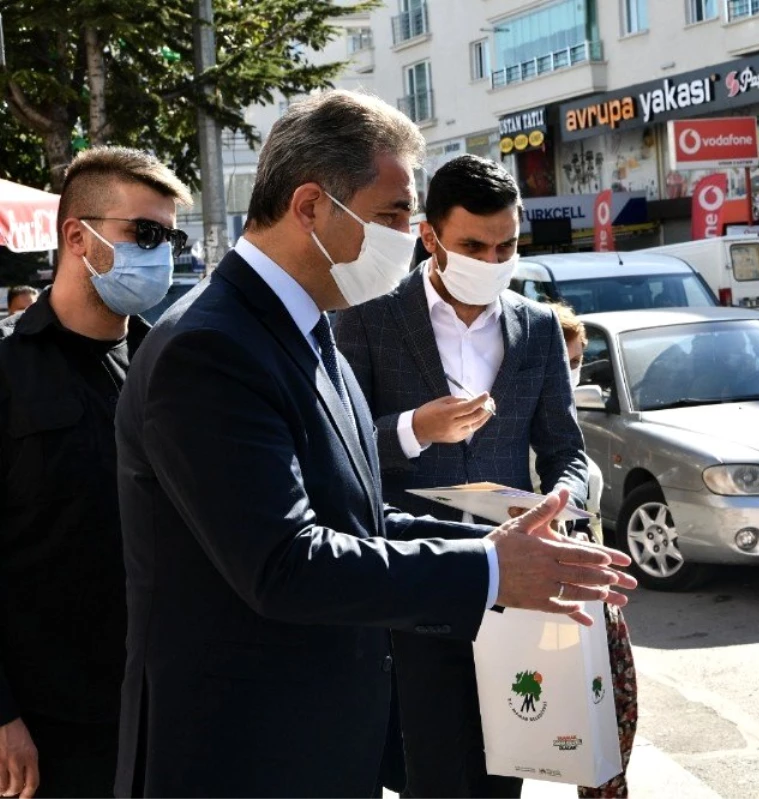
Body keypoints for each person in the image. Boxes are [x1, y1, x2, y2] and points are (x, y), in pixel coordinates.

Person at [113, 90, 635, 799]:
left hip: (321, 744)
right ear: (310, 207)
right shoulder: (210, 348)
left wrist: (508, 547)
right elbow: (284, 562)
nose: (405, 234)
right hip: (243, 755)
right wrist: (485, 570)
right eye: (392, 214)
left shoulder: (310, 325)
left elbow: (358, 520)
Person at [335, 153, 589, 799]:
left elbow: (568, 448)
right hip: (414, 584)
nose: (492, 258)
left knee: (507, 774)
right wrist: (415, 426)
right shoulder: (368, 315)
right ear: (429, 236)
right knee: (431, 776)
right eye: (473, 244)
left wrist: (565, 500)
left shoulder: (535, 327)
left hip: (513, 590)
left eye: (505, 245)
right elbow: (334, 450)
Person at [0, 147, 190, 799]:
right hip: (45, 732)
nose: (161, 254)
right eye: (145, 234)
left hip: (158, 711)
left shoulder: (168, 371)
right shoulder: (8, 375)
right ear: (77, 237)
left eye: (171, 237)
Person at [537, 302, 638, 799]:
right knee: (570, 737)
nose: (572, 370)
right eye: (563, 359)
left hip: (594, 598)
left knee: (609, 738)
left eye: (578, 360)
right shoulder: (525, 429)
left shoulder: (567, 429)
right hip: (551, 602)